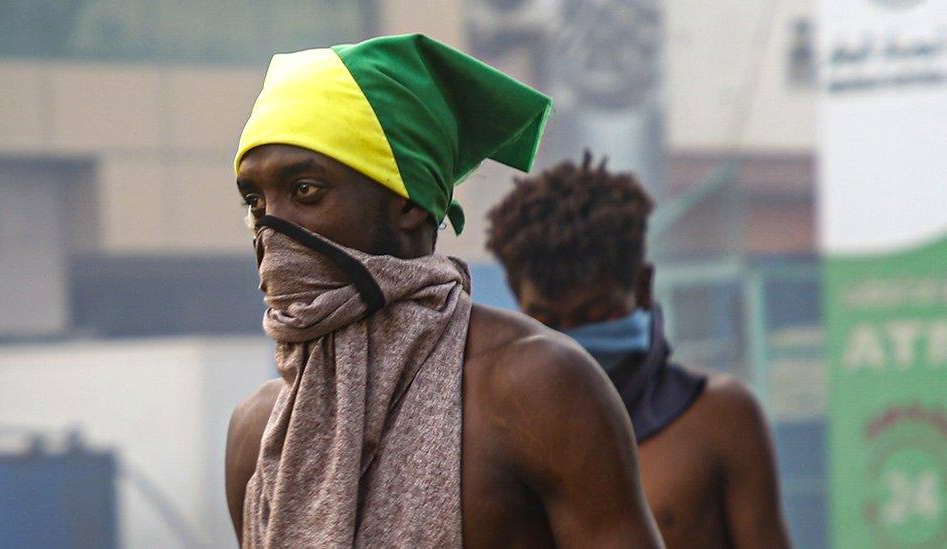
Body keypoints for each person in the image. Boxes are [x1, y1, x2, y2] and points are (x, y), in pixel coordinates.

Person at [224, 34, 662, 548]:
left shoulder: (534, 387)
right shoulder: (258, 433)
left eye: (305, 191)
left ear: (407, 202)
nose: (272, 230)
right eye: (255, 201)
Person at [486, 153, 792, 549]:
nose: (573, 340)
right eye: (548, 320)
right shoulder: (502, 436)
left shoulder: (720, 418)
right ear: (518, 303)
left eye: (595, 313)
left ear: (643, 287)